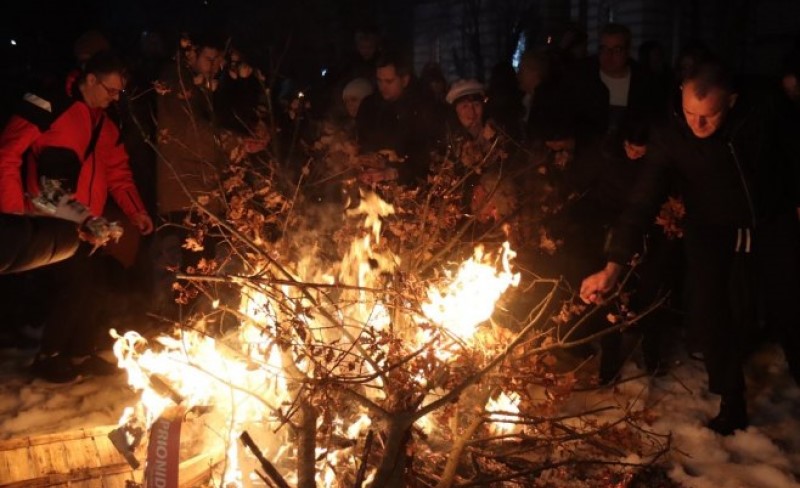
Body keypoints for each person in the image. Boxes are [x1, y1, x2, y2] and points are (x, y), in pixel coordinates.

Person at [580, 61, 800, 435]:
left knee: (789, 303)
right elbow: (642, 202)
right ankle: (730, 397)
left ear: (730, 101)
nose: (698, 126)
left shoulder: (762, 111)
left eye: (709, 116)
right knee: (711, 309)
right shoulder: (670, 133)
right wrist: (614, 265)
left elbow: (794, 154)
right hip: (710, 224)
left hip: (770, 217)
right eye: (690, 114)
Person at [0, 51, 154, 382]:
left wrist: (136, 210)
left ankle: (79, 353)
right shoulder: (50, 104)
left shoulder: (105, 123)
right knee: (75, 285)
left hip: (88, 220)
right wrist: (11, 211)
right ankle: (50, 356)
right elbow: (8, 152)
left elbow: (118, 172)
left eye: (119, 93)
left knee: (94, 285)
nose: (114, 98)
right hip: (51, 214)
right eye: (110, 90)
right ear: (91, 79)